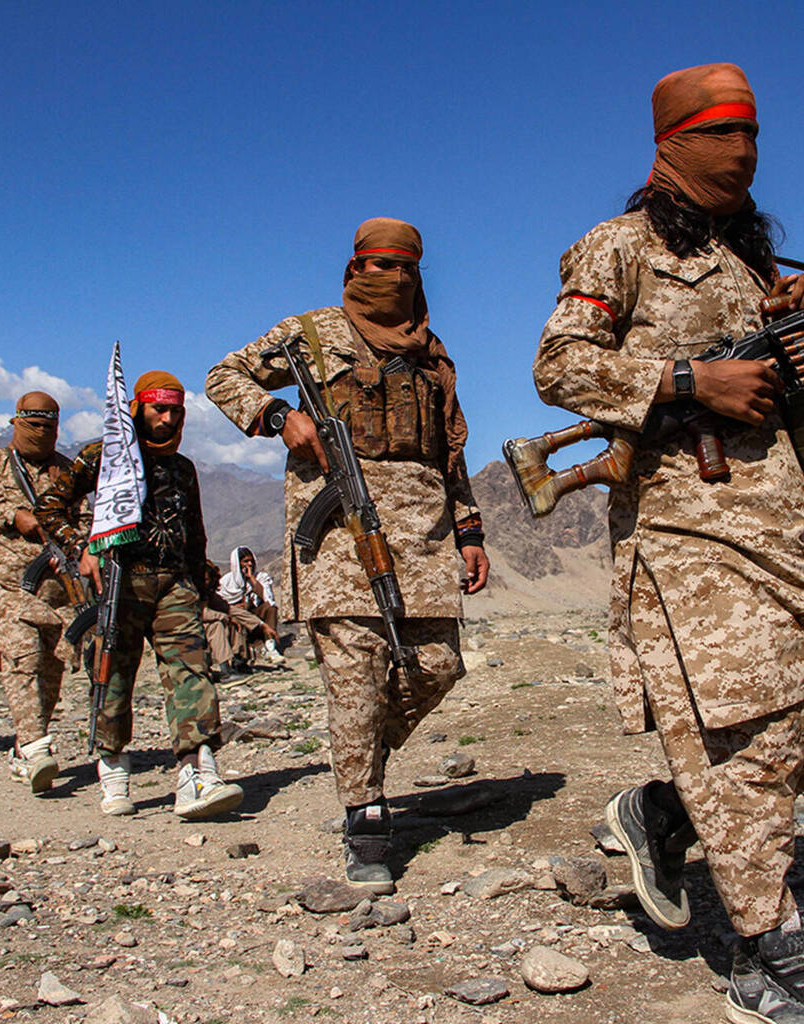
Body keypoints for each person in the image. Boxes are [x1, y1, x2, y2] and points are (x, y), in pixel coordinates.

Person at [532, 65, 804, 1024]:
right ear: (672, 142)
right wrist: (688, 381)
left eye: (753, 131)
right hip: (683, 526)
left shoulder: (747, 262)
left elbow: (783, 383)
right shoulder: (618, 247)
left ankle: (664, 814)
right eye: (724, 131)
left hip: (781, 521)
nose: (746, 150)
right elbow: (560, 365)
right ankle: (767, 956)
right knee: (747, 736)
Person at [206, 217, 489, 892]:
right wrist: (279, 417)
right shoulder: (310, 334)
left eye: (407, 267)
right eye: (380, 264)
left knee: (439, 664)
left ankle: (357, 753)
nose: (394, 278)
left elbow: (450, 452)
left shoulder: (433, 355)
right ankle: (365, 817)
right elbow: (225, 375)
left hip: (422, 533)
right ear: (354, 267)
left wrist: (470, 530)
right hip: (336, 535)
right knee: (355, 678)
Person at [35, 372, 244, 820]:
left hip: (174, 586)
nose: (167, 419)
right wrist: (81, 547)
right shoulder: (103, 457)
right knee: (112, 676)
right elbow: (49, 506)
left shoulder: (183, 469)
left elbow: (194, 535)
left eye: (176, 411)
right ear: (138, 409)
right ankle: (112, 770)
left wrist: (203, 583)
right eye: (158, 409)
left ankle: (197, 772)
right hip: (119, 584)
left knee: (192, 672)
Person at [0, 392, 87, 793]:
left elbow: (86, 519)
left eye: (49, 426)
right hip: (5, 585)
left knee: (51, 668)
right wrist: (11, 516)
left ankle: (24, 748)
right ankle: (36, 747)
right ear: (17, 422)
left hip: (56, 592)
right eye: (33, 425)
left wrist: (71, 542)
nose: (41, 433)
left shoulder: (68, 472)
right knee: (24, 654)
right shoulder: (0, 465)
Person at [217, 545, 285, 666]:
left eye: (251, 561)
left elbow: (266, 597)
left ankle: (270, 647)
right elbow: (220, 603)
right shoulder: (226, 582)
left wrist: (251, 579)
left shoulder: (261, 577)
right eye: (245, 561)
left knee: (271, 608)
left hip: (255, 615)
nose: (249, 564)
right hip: (238, 617)